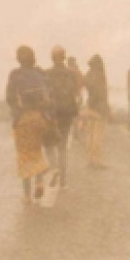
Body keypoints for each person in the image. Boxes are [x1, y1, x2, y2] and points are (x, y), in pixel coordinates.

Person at [5, 46, 52, 204]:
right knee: (36, 150)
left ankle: (27, 196)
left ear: (19, 59)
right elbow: (49, 96)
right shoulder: (40, 74)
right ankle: (39, 181)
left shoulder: (15, 75)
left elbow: (10, 98)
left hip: (24, 120)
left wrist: (17, 113)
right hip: (39, 118)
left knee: (24, 155)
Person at [44, 46, 80, 188]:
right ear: (64, 57)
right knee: (62, 147)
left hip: (52, 114)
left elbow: (45, 95)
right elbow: (75, 93)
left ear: (52, 58)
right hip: (67, 114)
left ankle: (54, 168)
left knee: (48, 144)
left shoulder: (47, 74)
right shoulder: (71, 74)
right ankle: (63, 182)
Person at [83, 54, 111, 169]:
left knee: (90, 134)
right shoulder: (100, 75)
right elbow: (102, 94)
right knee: (98, 136)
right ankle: (97, 161)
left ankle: (89, 159)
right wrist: (107, 108)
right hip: (100, 109)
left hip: (90, 107)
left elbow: (88, 89)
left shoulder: (88, 74)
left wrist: (89, 104)